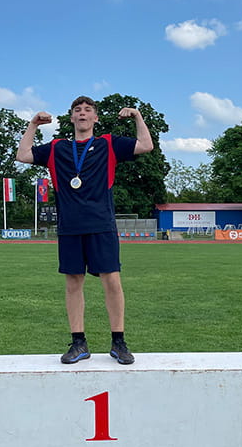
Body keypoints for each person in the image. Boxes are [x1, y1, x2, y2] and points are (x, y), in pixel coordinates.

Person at [16, 96, 154, 364]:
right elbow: (22, 155)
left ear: (95, 118)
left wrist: (137, 116)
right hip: (70, 227)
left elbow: (146, 145)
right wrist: (33, 124)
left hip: (101, 225)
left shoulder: (108, 143)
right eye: (77, 110)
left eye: (88, 110)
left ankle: (119, 342)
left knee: (112, 281)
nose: (82, 113)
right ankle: (79, 343)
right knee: (73, 283)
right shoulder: (57, 148)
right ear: (71, 118)